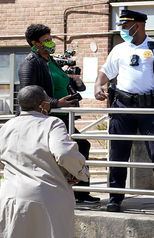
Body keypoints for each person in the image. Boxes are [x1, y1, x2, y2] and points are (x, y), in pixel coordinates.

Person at [0, 85, 90, 238]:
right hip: (47, 200)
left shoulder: (7, 126)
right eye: (47, 99)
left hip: (12, 200)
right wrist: (80, 172)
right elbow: (63, 152)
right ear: (42, 104)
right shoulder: (52, 124)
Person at [94, 9, 154, 212]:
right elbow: (106, 72)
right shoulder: (119, 49)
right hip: (123, 107)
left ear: (138, 26)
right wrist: (98, 85)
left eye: (125, 26)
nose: (122, 30)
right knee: (118, 154)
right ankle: (115, 197)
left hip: (151, 108)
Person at [18, 23, 98, 204]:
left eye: (50, 38)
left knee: (80, 146)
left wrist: (76, 82)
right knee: (77, 146)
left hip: (62, 117)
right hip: (44, 117)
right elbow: (27, 93)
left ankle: (79, 191)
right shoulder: (30, 63)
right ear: (34, 43)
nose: (50, 43)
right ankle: (75, 191)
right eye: (45, 40)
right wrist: (56, 103)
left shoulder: (51, 61)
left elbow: (64, 84)